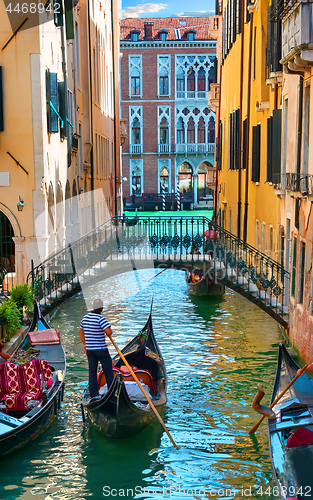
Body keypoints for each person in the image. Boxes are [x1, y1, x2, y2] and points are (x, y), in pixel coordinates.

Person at [79, 298, 114, 400]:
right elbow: (109, 332)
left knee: (92, 372)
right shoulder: (101, 318)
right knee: (108, 371)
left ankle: (94, 394)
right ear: (101, 308)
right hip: (101, 350)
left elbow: (80, 331)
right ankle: (111, 393)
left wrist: (85, 344)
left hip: (90, 350)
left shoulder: (85, 318)